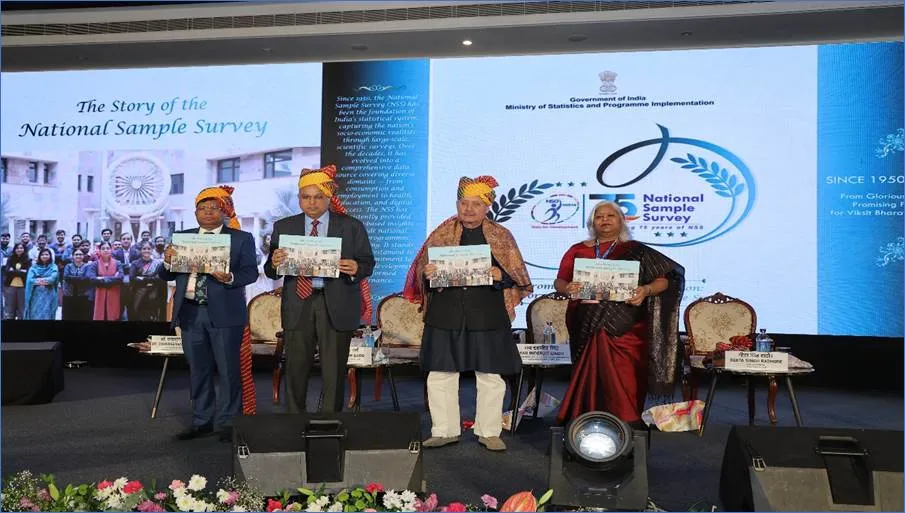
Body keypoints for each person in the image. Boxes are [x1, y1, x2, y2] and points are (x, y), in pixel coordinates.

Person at [403, 175, 533, 452]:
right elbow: (421, 274)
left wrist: (500, 275)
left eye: (476, 204)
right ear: (457, 205)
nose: (469, 209)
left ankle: (489, 431)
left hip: (487, 313)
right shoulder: (440, 234)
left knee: (490, 375)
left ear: (487, 207)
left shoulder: (501, 236)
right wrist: (427, 274)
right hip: (445, 312)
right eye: (464, 203)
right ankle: (444, 430)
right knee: (440, 373)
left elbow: (517, 276)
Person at [553, 201, 685, 427]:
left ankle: (627, 423)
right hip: (586, 322)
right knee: (588, 374)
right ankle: (583, 422)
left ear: (621, 221)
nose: (604, 220)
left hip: (627, 325)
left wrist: (645, 290)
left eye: (610, 216)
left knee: (625, 375)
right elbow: (560, 280)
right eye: (599, 216)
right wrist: (567, 288)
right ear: (592, 223)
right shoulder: (577, 250)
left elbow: (665, 279)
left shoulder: (637, 250)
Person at [265, 165, 375, 414]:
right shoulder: (284, 226)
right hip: (298, 303)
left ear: (329, 197)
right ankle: (294, 420)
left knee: (334, 370)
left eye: (318, 197)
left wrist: (356, 267)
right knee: (295, 367)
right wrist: (274, 263)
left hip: (335, 303)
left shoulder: (351, 226)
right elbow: (271, 271)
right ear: (299, 199)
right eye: (306, 197)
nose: (312, 203)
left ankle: (329, 422)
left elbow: (368, 263)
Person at [159, 186, 257, 442]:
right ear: (195, 213)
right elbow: (166, 274)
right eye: (202, 208)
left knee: (228, 371)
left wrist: (230, 277)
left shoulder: (241, 238)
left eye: (213, 208)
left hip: (225, 315)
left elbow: (250, 273)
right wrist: (168, 260)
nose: (208, 212)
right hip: (190, 312)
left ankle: (228, 423)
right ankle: (202, 421)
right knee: (198, 370)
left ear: (223, 211)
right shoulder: (183, 237)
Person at [128, 241, 166, 321]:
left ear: (152, 250)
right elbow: (132, 278)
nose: (146, 251)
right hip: (138, 293)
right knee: (137, 315)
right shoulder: (135, 263)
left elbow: (159, 278)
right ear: (141, 250)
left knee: (150, 316)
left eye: (149, 249)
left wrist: (143, 278)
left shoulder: (157, 263)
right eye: (144, 249)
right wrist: (151, 279)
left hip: (153, 294)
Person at [87, 241, 124, 321]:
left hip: (114, 294)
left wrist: (101, 278)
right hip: (98, 295)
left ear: (111, 250)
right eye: (103, 248)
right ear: (100, 251)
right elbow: (92, 279)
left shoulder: (117, 263)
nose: (106, 250)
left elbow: (120, 278)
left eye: (108, 248)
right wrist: (113, 278)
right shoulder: (95, 264)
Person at [24, 248, 59, 320]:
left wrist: (37, 280)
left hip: (49, 295)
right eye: (42, 254)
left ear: (50, 256)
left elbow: (52, 279)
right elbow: (30, 280)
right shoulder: (34, 267)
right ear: (39, 256)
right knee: (35, 314)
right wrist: (45, 280)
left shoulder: (53, 266)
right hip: (36, 295)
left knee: (47, 314)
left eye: (46, 254)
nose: (44, 256)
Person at [62, 249, 94, 320]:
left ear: (83, 256)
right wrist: (81, 278)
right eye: (76, 254)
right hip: (69, 295)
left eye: (80, 254)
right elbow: (66, 277)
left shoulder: (87, 266)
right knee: (68, 316)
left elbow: (87, 278)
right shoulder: (68, 266)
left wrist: (72, 278)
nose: (78, 256)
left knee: (83, 316)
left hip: (83, 296)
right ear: (72, 256)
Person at [3, 243, 31, 319]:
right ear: (14, 249)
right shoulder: (10, 259)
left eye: (21, 248)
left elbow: (28, 273)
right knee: (10, 308)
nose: (19, 249)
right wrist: (21, 271)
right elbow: (7, 271)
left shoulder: (28, 260)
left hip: (23, 287)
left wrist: (13, 271)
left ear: (24, 249)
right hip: (10, 286)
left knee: (21, 309)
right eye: (17, 248)